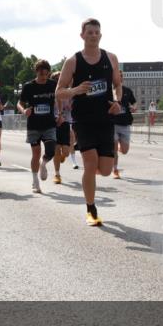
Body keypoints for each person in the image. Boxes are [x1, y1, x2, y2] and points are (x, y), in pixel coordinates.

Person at [56, 18, 123, 225]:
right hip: (83, 119)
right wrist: (76, 90)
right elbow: (59, 91)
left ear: (100, 36)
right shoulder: (73, 61)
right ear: (82, 35)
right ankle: (91, 209)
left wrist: (118, 101)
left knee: (104, 169)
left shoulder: (111, 58)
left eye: (96, 32)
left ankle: (89, 177)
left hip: (105, 118)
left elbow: (118, 85)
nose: (93, 35)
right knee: (90, 163)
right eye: (89, 32)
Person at [18, 60, 58, 193]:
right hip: (34, 125)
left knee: (51, 150)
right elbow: (20, 103)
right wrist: (24, 111)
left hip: (49, 124)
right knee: (36, 154)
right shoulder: (29, 86)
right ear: (36, 72)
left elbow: (60, 99)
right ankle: (35, 182)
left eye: (46, 75)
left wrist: (61, 114)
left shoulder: (53, 85)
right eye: (41, 75)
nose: (43, 78)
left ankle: (44, 164)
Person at [111, 72, 137, 179]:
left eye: (121, 77)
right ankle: (115, 170)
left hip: (125, 124)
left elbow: (134, 102)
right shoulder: (110, 91)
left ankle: (117, 147)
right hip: (113, 124)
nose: (119, 79)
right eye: (117, 77)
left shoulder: (127, 91)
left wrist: (134, 107)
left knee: (125, 151)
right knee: (114, 149)